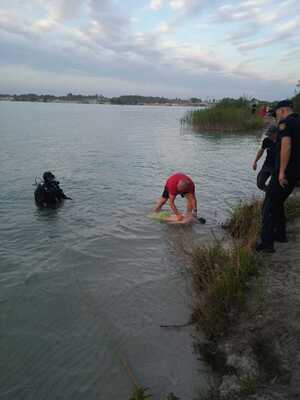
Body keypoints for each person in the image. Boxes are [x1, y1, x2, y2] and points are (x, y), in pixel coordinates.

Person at [256, 100, 300, 252]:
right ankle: (280, 234)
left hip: (284, 173)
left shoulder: (285, 124)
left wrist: (281, 172)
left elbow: (286, 147)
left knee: (268, 206)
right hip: (295, 173)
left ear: (282, 111)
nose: (276, 118)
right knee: (278, 203)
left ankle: (266, 243)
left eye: (276, 114)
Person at [252, 125, 277, 191]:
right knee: (260, 183)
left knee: (275, 184)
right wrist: (255, 162)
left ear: (275, 133)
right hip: (267, 165)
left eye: (270, 134)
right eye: (268, 134)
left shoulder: (282, 141)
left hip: (277, 167)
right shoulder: (266, 140)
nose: (268, 136)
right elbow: (261, 151)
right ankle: (270, 193)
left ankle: (272, 196)